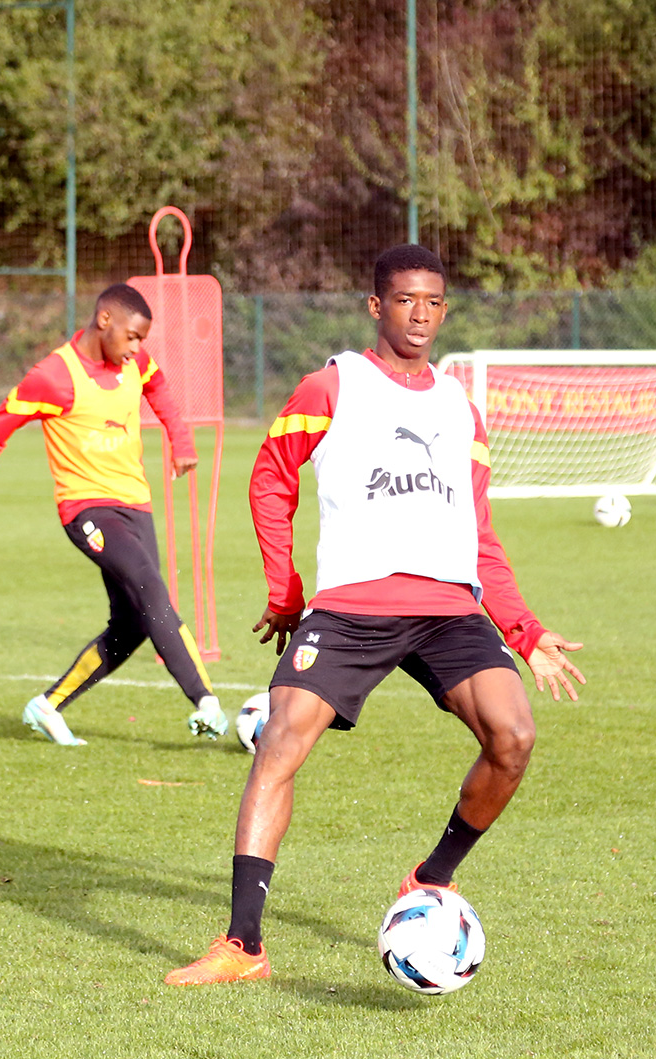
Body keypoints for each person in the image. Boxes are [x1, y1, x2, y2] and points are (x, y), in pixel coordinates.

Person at [165, 245, 586, 986]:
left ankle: (431, 877)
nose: (419, 315)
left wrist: (524, 628)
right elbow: (270, 480)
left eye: (433, 302)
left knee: (514, 736)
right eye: (404, 301)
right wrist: (284, 589)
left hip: (449, 609)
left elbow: (480, 533)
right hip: (353, 605)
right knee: (280, 746)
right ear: (375, 306)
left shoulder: (459, 406)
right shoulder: (332, 385)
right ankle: (243, 946)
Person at [0, 284, 226, 746]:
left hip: (135, 502)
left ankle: (47, 706)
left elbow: (158, 387)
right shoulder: (54, 376)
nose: (138, 350)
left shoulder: (134, 363)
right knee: (151, 586)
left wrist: (180, 442)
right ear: (105, 321)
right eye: (132, 337)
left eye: (143, 341)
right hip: (86, 509)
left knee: (134, 622)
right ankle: (206, 702)